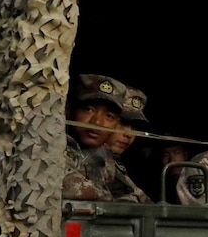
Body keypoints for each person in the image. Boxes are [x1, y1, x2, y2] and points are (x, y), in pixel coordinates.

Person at [63, 74, 149, 203]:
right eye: (89, 109)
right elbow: (67, 186)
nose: (97, 122)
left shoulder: (103, 155)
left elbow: (135, 196)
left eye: (109, 116)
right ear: (69, 110)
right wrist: (109, 198)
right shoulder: (54, 143)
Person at [105, 85, 153, 203]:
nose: (129, 134)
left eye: (134, 127)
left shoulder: (125, 162)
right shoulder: (90, 156)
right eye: (123, 123)